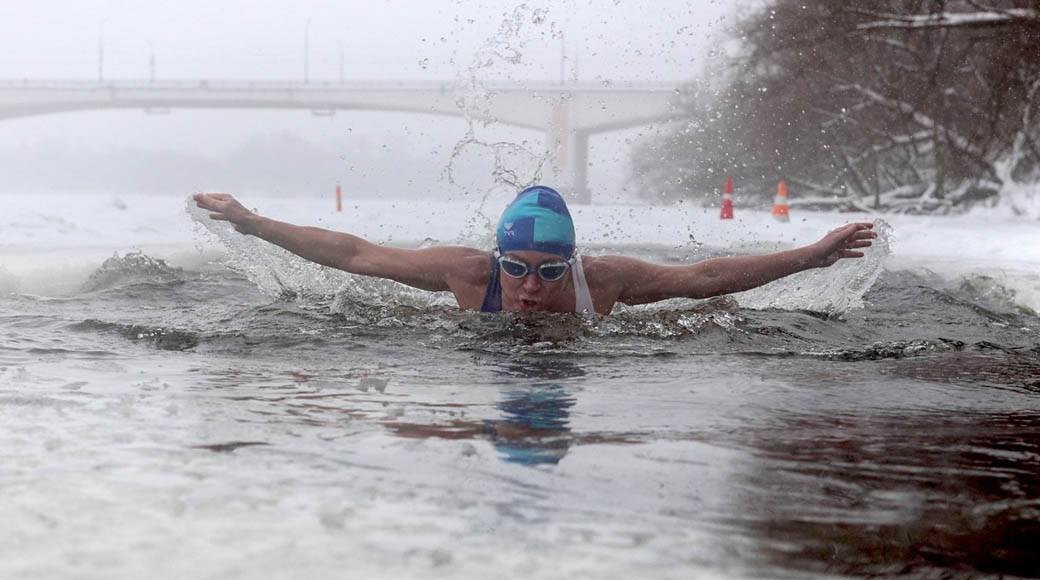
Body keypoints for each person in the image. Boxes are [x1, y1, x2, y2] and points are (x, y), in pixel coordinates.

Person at [192, 185, 875, 316]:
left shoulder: (602, 282)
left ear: (571, 266)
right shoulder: (467, 273)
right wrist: (253, 222)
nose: (527, 286)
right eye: (516, 267)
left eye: (549, 272)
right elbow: (357, 254)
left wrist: (806, 256)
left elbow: (702, 277)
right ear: (499, 259)